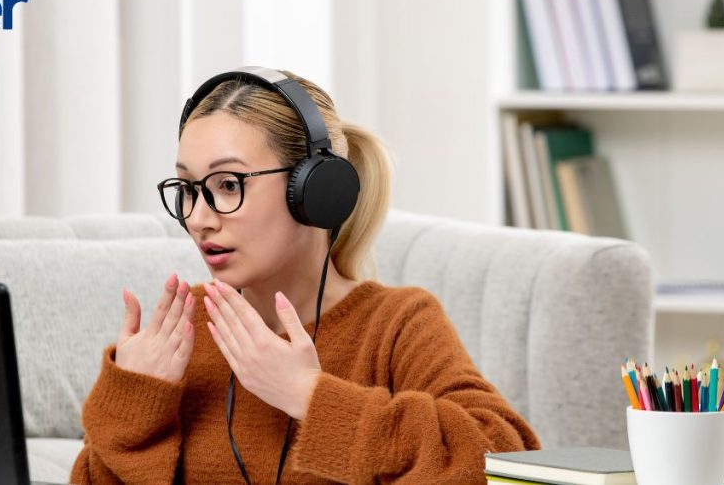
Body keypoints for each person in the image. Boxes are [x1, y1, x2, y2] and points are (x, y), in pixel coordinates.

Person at [70, 68, 540, 485]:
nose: (198, 219)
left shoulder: (396, 325)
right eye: (189, 190)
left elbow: (505, 462)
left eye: (228, 185)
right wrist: (133, 404)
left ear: (315, 191)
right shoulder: (180, 331)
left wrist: (310, 396)